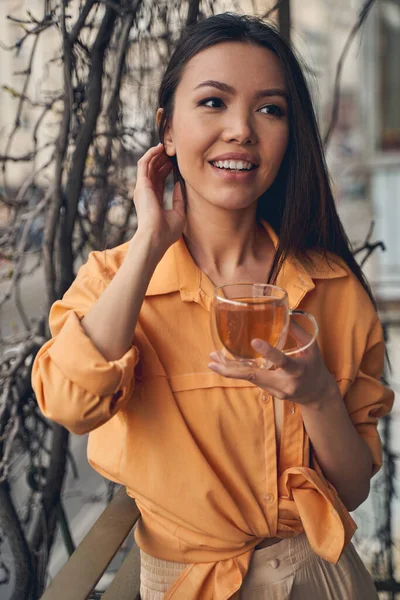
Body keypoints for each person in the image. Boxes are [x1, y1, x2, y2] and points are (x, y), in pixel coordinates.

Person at [32, 12, 394, 600]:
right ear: (166, 131)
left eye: (269, 109)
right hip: (183, 583)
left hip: (322, 581)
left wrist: (317, 393)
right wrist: (150, 243)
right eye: (212, 102)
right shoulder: (117, 281)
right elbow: (71, 405)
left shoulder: (332, 290)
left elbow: (351, 490)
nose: (241, 131)